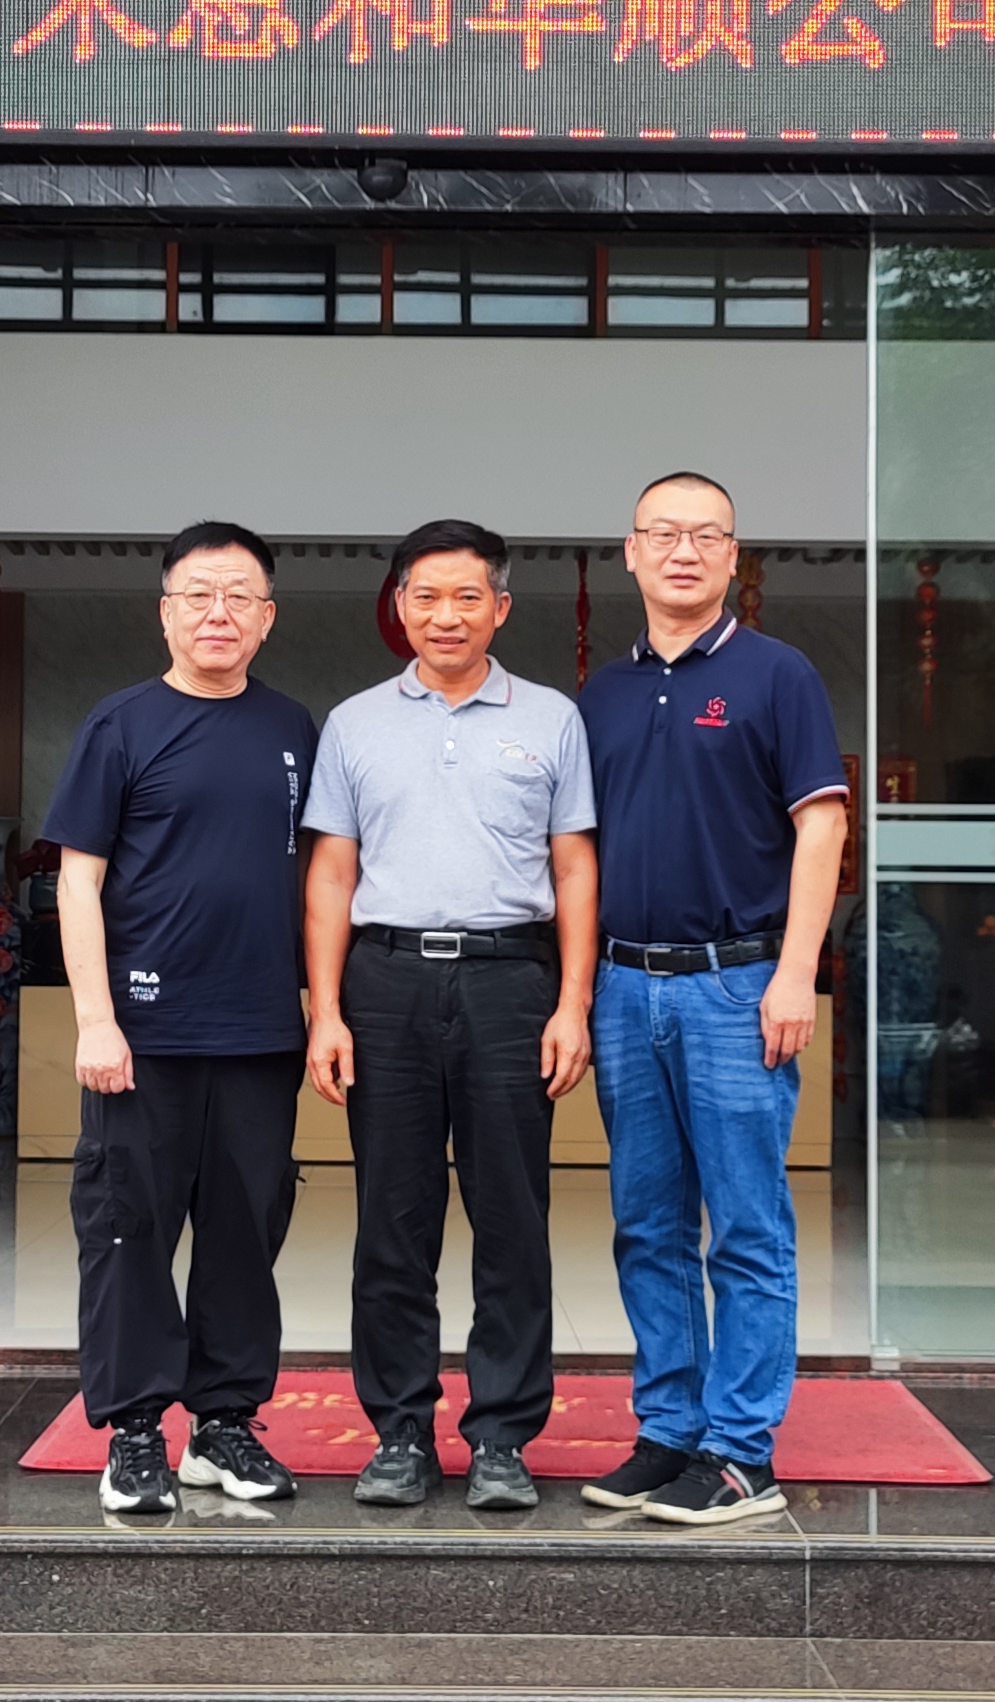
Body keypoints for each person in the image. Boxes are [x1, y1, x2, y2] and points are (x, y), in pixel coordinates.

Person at [303, 519, 599, 1511]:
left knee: (511, 1215)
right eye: (425, 597)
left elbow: (573, 868)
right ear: (399, 607)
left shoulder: (552, 719)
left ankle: (503, 1436)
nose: (445, 616)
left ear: (500, 608)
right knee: (392, 1217)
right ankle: (398, 1433)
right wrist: (325, 1011)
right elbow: (331, 874)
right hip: (384, 983)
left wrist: (572, 1003)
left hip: (510, 983)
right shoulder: (353, 724)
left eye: (467, 597)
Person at [575, 472, 850, 1526]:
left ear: (734, 557)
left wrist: (795, 972)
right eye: (663, 534)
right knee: (646, 1226)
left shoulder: (778, 675)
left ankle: (741, 1451)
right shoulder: (602, 694)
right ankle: (669, 1431)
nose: (683, 552)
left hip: (737, 986)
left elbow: (821, 825)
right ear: (631, 551)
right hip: (622, 987)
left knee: (745, 1226)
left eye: (706, 536)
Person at [44, 522, 319, 1516]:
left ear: (267, 618)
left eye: (239, 596)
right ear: (165, 612)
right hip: (144, 1035)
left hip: (260, 1032)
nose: (218, 613)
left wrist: (322, 1009)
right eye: (198, 594)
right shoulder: (120, 724)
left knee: (245, 1231)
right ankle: (132, 1432)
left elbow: (322, 879)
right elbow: (78, 882)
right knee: (130, 1229)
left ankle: (223, 1424)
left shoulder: (294, 728)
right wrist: (95, 1019)